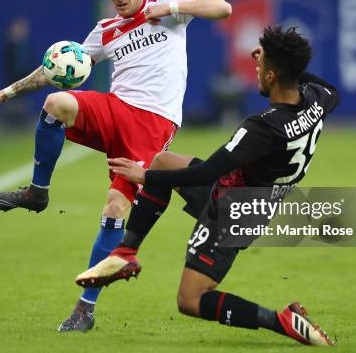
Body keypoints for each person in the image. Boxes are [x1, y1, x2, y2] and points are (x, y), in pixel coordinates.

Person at [0, 0, 231, 332]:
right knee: (56, 102)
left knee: (115, 209)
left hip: (152, 126)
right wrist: (7, 92)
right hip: (114, 110)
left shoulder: (166, 2)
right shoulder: (105, 29)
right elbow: (56, 69)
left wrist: (171, 8)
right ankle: (37, 192)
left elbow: (222, 8)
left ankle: (85, 308)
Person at [76, 26, 339, 346]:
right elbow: (329, 89)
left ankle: (281, 320)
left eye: (260, 66)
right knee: (162, 160)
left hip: (235, 213)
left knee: (190, 300)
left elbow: (208, 171)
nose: (254, 68)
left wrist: (144, 178)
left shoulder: (262, 128)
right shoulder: (316, 100)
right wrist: (283, 65)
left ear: (271, 76)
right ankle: (126, 252)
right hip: (248, 192)